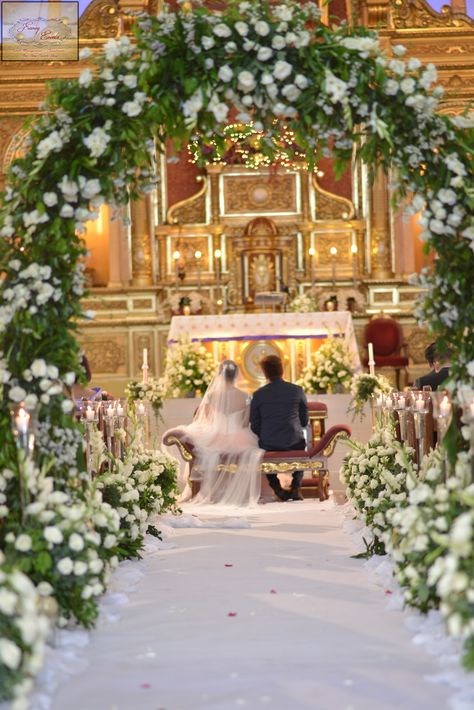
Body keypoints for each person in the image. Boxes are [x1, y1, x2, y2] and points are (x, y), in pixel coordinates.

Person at [165, 360, 262, 507]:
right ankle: (234, 492)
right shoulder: (245, 396)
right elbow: (244, 423)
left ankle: (211, 493)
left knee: (207, 451)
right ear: (236, 375)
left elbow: (206, 421)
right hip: (240, 438)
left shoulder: (211, 395)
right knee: (251, 451)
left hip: (216, 437)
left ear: (219, 375)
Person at [250, 355, 308, 502]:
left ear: (264, 372)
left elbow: (255, 425)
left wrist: (268, 434)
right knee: (302, 442)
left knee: (261, 446)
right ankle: (296, 486)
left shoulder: (258, 395)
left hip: (269, 443)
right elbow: (304, 421)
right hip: (294, 441)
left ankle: (277, 488)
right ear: (282, 370)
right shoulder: (297, 390)